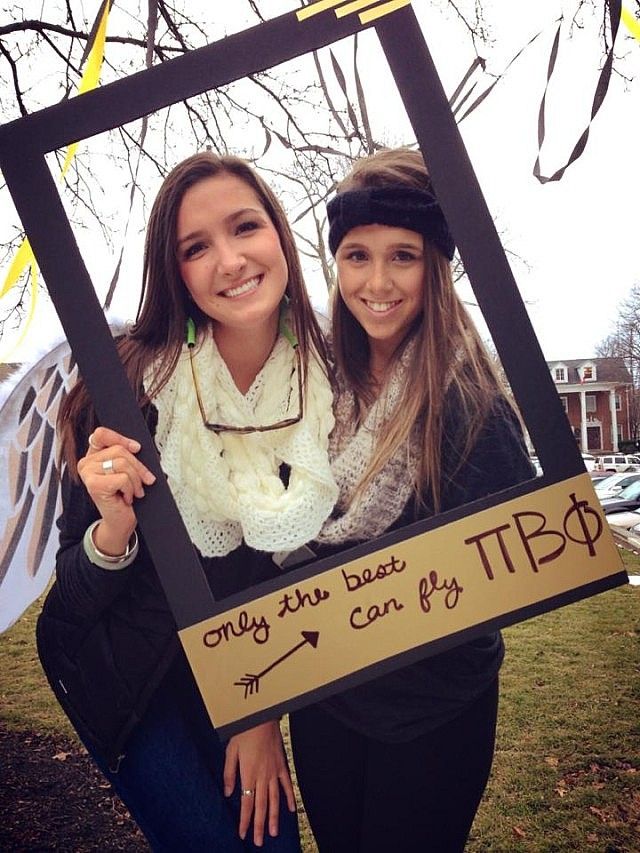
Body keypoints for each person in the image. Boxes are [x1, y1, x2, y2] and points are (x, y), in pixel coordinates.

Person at [36, 152, 338, 851]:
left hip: (242, 666)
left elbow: (303, 575)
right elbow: (67, 605)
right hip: (122, 673)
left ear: (279, 235)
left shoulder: (330, 383)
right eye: (196, 248)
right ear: (174, 272)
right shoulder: (126, 387)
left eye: (245, 227)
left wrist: (259, 709)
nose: (229, 260)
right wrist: (112, 530)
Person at [288, 147, 535, 852]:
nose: (378, 281)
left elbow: (513, 560)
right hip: (327, 705)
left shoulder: (471, 401)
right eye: (357, 255)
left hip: (435, 712)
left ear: (437, 267)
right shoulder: (308, 391)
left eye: (403, 255)